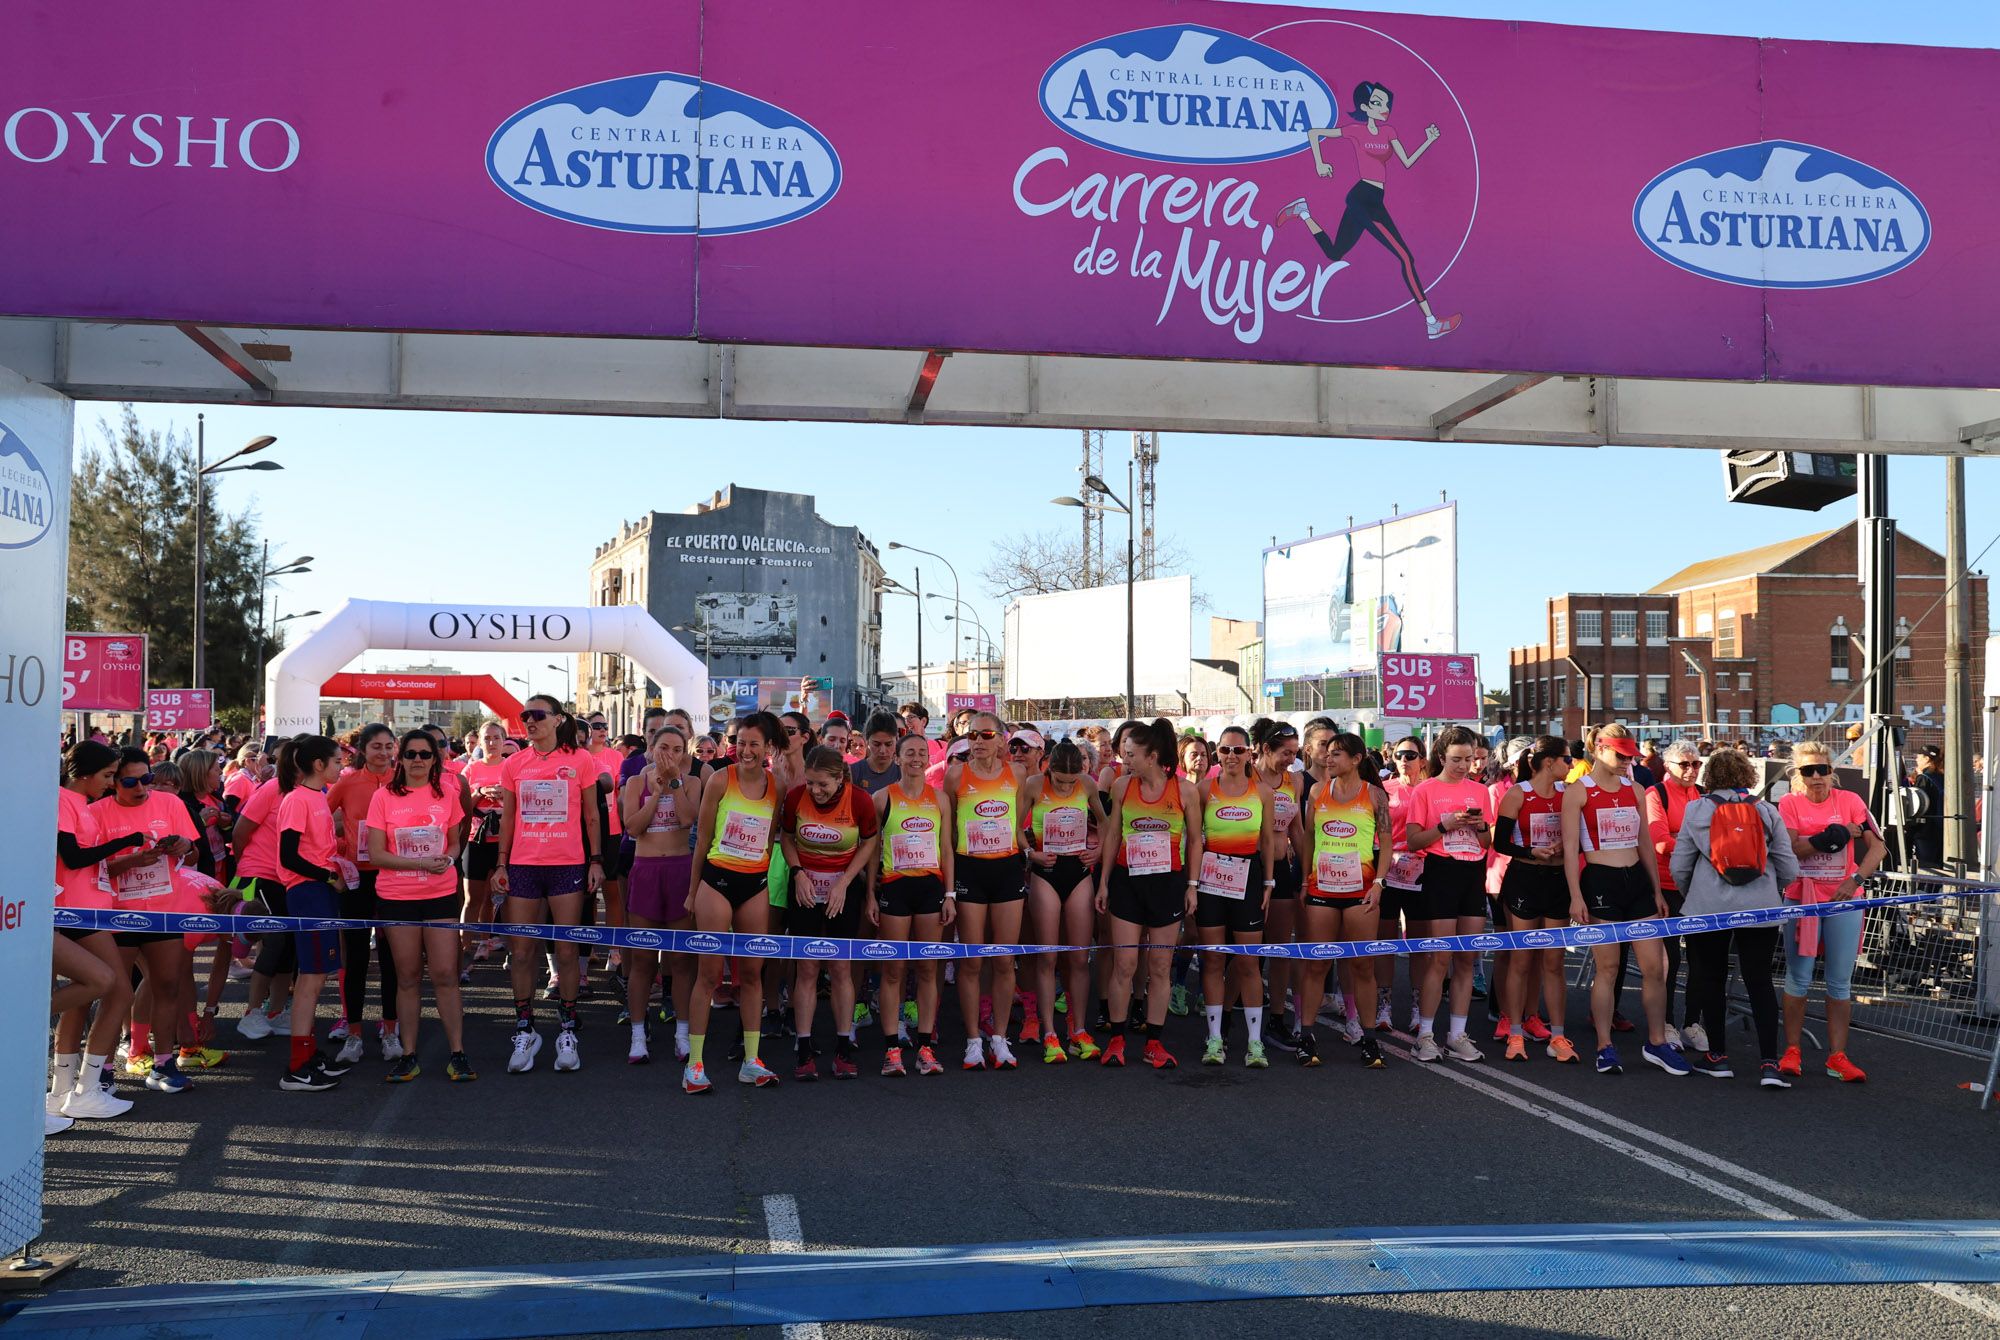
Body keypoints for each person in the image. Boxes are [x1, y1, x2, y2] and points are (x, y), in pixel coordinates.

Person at [1277, 80, 1461, 340]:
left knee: (1334, 253)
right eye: (1377, 103)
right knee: (1405, 258)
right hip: (1362, 197)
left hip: (1375, 200)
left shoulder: (1389, 132)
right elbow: (1314, 133)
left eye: (1386, 104)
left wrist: (1428, 141)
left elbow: (1407, 162)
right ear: (1364, 107)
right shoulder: (1355, 131)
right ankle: (1432, 322)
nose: (1384, 108)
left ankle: (1303, 211)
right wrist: (1320, 163)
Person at [1562, 724, 1687, 1076]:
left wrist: (1656, 890)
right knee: (1608, 968)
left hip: (1637, 882)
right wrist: (1575, 896)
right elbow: (1570, 850)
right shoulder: (1578, 791)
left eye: (1630, 756)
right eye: (1620, 755)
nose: (1626, 762)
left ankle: (1657, 1042)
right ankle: (1604, 1046)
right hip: (1601, 881)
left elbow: (1644, 842)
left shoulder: (1635, 789)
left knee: (1655, 968)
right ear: (1599, 749)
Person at [1672, 747, 1797, 1087]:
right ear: (1748, 775)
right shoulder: (1765, 810)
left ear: (1709, 776)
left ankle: (1718, 1057)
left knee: (1711, 978)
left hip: (1708, 907)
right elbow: (1788, 864)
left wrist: (1692, 893)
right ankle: (1769, 1063)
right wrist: (1772, 889)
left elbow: (1680, 864)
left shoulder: (1697, 809)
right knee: (1760, 981)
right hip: (1760, 906)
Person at [493, 695, 604, 1076]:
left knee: (567, 951)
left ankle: (567, 1030)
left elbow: (592, 815)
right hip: (524, 865)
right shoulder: (514, 763)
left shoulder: (581, 760)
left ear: (557, 719)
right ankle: (525, 1029)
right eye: (525, 715)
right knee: (522, 952)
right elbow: (508, 817)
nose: (530, 720)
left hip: (567, 864)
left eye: (537, 715)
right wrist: (501, 863)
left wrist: (595, 860)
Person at [686, 710, 786, 1093]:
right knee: (709, 974)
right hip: (716, 882)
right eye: (740, 742)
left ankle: (751, 1060)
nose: (745, 750)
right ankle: (695, 1065)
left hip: (755, 885)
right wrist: (692, 891)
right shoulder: (719, 780)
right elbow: (703, 839)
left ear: (768, 748)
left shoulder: (776, 786)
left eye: (753, 744)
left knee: (752, 975)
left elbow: (772, 838)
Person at [91, 747, 201, 1094]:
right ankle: (102, 1069)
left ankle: (164, 1063)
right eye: (130, 782)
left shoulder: (171, 804)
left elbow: (194, 855)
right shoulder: (97, 813)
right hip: (118, 915)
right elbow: (90, 870)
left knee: (166, 985)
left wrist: (185, 846)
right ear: (113, 782)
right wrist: (132, 861)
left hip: (164, 912)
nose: (141, 788)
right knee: (116, 993)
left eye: (147, 779)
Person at [1096, 718, 1204, 1069]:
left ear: (1152, 756)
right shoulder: (1122, 786)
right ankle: (1116, 1039)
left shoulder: (1184, 791)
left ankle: (1154, 1043)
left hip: (1167, 884)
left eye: (1131, 755)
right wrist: (1104, 882)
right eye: (1124, 754)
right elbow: (1113, 836)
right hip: (1128, 882)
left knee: (1159, 967)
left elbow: (1196, 841)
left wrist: (1192, 886)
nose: (1124, 760)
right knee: (1125, 965)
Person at [365, 729, 472, 1082]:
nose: (417, 760)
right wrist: (420, 863)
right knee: (408, 977)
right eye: (410, 754)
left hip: (440, 895)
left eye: (425, 754)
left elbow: (455, 843)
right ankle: (408, 1054)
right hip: (397, 897)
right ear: (401, 758)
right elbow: (376, 854)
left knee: (445, 975)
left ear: (434, 759)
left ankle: (458, 1053)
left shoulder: (447, 793)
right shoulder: (383, 796)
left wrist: (448, 859)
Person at [1777, 739, 1886, 1082]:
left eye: (1822, 769)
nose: (1816, 777)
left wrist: (1855, 880)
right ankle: (1792, 1051)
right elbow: (1792, 849)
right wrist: (1834, 834)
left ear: (1831, 771)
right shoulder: (1790, 803)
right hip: (1802, 898)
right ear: (1798, 774)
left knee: (1839, 981)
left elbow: (1878, 848)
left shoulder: (1850, 800)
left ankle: (1837, 1057)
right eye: (1808, 770)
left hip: (1843, 898)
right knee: (1799, 976)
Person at [50, 740, 143, 1121]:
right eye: (107, 775)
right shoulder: (62, 800)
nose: (111, 782)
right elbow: (72, 858)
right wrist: (125, 842)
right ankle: (82, 1089)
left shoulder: (79, 803)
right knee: (116, 990)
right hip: (74, 912)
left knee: (91, 995)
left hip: (89, 911)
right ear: (85, 774)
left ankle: (66, 1091)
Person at [779, 745, 880, 1080]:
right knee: (807, 968)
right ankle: (804, 1048)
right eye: (810, 783)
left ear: (840, 779)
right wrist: (797, 873)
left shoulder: (859, 800)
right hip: (806, 886)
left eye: (822, 784)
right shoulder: (796, 797)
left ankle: (843, 1046)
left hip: (842, 887)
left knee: (840, 967)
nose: (815, 791)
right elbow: (787, 837)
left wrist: (846, 881)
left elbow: (869, 842)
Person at [1298, 731, 1392, 1069]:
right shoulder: (1316, 792)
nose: (1329, 757)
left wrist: (1379, 883)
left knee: (1362, 965)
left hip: (1360, 891)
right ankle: (1306, 1036)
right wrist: (1305, 880)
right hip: (1322, 889)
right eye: (1328, 752)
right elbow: (1309, 838)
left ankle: (1369, 1039)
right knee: (1317, 964)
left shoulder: (1375, 795)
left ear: (1356, 759)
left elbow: (1386, 843)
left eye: (1337, 753)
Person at [1398, 726, 1492, 1063]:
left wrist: (1480, 827)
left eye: (1469, 759)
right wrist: (1444, 826)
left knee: (1466, 958)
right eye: (1456, 759)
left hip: (1472, 872)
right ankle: (1425, 1034)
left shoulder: (1480, 791)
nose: (1464, 766)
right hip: (1440, 871)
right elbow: (1413, 841)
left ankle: (1457, 1034)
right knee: (1439, 957)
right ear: (1441, 757)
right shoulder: (1425, 789)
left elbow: (1487, 842)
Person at [943, 710, 1029, 1070]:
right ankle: (973, 1040)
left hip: (1006, 869)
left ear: (1001, 740)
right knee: (972, 960)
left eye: (986, 735)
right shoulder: (955, 775)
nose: (977, 741)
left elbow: (1018, 822)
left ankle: (1000, 1038)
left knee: (1004, 959)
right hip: (970, 869)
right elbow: (948, 832)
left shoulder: (1017, 774)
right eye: (972, 736)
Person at [869, 731, 956, 1076]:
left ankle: (925, 1046)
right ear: (898, 758)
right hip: (895, 887)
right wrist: (870, 895)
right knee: (893, 969)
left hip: (930, 888)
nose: (917, 758)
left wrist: (950, 895)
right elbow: (871, 851)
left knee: (927, 969)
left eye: (922, 752)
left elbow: (946, 849)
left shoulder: (940, 799)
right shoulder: (881, 798)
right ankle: (892, 1048)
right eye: (910, 753)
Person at [271, 735, 353, 1092]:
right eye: (336, 761)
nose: (341, 767)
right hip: (307, 892)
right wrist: (328, 876)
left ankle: (308, 1054)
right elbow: (288, 856)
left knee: (318, 976)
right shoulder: (296, 799)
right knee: (311, 978)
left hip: (320, 891)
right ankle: (296, 1066)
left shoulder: (318, 796)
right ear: (319, 765)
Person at [1190, 726, 1275, 1067]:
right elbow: (1194, 839)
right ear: (1217, 753)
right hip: (1211, 879)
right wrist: (1191, 884)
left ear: (1250, 753)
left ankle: (1255, 1043)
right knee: (1213, 960)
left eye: (1238, 750)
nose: (1231, 756)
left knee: (1248, 962)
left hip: (1249, 877)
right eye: (1225, 750)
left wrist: (1268, 883)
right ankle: (1214, 1038)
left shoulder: (1262, 791)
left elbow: (1267, 840)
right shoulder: (1203, 789)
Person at [1492, 737, 1578, 1063]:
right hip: (1524, 880)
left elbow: (1581, 837)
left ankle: (1558, 1035)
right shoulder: (1518, 794)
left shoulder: (1569, 794)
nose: (1571, 765)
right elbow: (1501, 843)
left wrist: (1564, 846)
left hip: (1557, 880)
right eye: (1567, 759)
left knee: (1554, 961)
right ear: (1549, 762)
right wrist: (1531, 851)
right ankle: (1515, 1032)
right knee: (1521, 959)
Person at [1021, 738, 1105, 1063]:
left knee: (1080, 959)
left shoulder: (1087, 784)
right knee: (1048, 957)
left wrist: (1098, 851)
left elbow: (1106, 823)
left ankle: (1078, 1030)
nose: (1066, 787)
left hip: (1078, 870)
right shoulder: (1033, 785)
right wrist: (1031, 854)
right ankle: (1049, 1033)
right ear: (1049, 770)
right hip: (1047, 872)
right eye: (1060, 781)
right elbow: (1015, 828)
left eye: (1071, 782)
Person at [621, 724, 698, 1065]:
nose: (670, 755)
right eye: (664, 747)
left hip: (680, 869)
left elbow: (687, 820)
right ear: (651, 749)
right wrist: (655, 793)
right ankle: (638, 1034)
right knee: (642, 959)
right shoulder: (636, 782)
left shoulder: (691, 782)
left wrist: (674, 784)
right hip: (646, 869)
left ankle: (682, 1033)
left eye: (677, 749)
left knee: (680, 960)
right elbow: (633, 827)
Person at [326, 723, 400, 1064]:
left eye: (388, 746)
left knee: (391, 958)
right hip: (357, 880)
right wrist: (337, 855)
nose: (383, 753)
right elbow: (320, 820)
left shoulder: (403, 780)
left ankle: (390, 1029)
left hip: (393, 877)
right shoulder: (347, 781)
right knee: (355, 957)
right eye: (376, 747)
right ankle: (354, 1032)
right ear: (363, 750)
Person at [1647, 739, 1706, 1049]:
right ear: (1668, 766)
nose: (1691, 770)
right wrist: (1697, 845)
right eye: (1684, 764)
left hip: (1698, 887)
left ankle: (1692, 1023)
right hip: (1665, 887)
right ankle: (1666, 1022)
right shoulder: (1655, 794)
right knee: (1669, 960)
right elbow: (1659, 841)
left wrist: (1679, 840)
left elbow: (1715, 838)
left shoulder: (1703, 794)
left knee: (1700, 959)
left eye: (1696, 764)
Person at [1251, 720, 1307, 1048]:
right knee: (1246, 948)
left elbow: (1296, 830)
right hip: (1248, 867)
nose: (1291, 759)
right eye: (1285, 752)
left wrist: (1308, 873)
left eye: (1295, 753)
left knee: (1280, 947)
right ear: (1265, 749)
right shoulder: (1246, 776)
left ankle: (1275, 1018)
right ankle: (1229, 1020)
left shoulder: (1294, 781)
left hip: (1281, 867)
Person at [1375, 733, 1430, 1031]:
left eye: (1410, 755)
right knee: (1384, 940)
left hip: (1422, 871)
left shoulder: (1430, 789)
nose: (1404, 760)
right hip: (1389, 869)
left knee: (1419, 944)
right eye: (1398, 755)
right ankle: (1383, 1004)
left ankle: (1418, 1006)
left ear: (1423, 760)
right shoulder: (1384, 789)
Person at [459, 719, 509, 972]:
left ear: (504, 741)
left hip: (504, 840)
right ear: (479, 741)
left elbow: (522, 802)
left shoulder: (511, 766)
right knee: (472, 899)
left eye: (496, 738)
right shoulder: (471, 769)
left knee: (501, 899)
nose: (491, 743)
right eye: (487, 738)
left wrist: (504, 794)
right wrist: (480, 793)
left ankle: (498, 946)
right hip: (475, 839)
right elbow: (461, 807)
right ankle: (463, 953)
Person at [851, 712, 902, 797]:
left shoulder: (903, 773)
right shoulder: (854, 772)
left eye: (888, 744)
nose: (882, 751)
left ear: (896, 740)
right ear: (867, 741)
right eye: (876, 744)